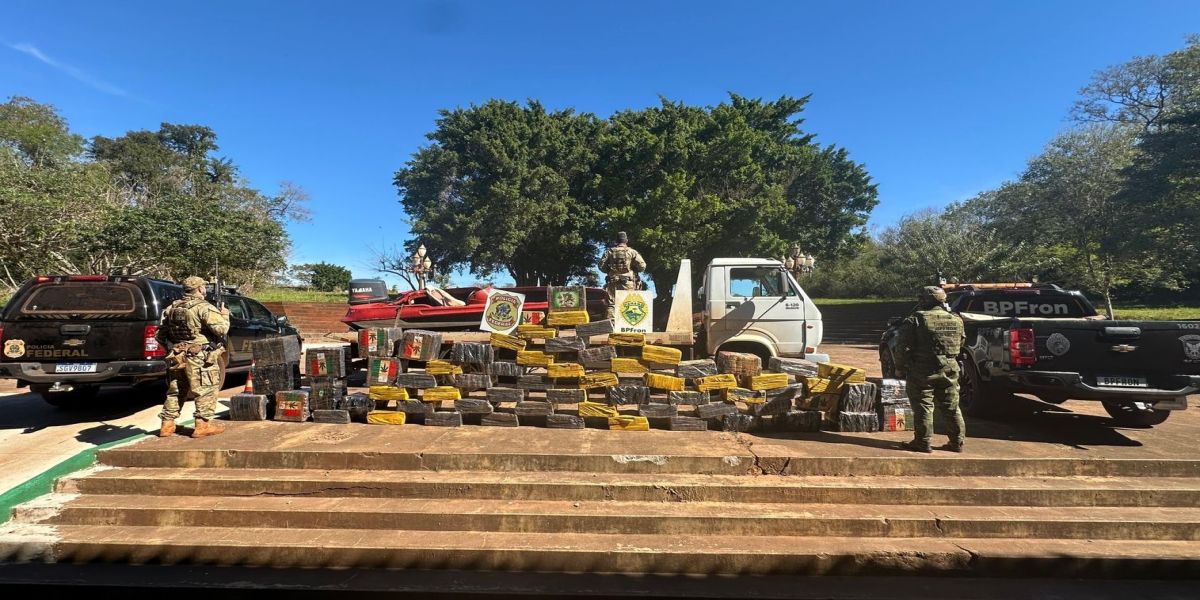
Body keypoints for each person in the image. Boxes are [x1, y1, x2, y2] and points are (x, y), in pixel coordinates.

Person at [893, 285, 966, 453]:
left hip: (922, 368)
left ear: (925, 301)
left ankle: (923, 442)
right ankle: (957, 443)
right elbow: (961, 343)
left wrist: (899, 367)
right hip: (950, 368)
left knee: (923, 405)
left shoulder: (916, 319)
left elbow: (902, 346)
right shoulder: (955, 319)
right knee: (952, 406)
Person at [157, 276, 231, 438]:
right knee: (205, 389)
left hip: (177, 356)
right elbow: (221, 330)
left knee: (176, 390)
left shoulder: (172, 308)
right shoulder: (204, 307)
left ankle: (167, 425)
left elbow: (160, 335)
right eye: (203, 287)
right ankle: (202, 425)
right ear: (199, 289)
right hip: (199, 357)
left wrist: (173, 348)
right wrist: (225, 315)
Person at [598, 231, 647, 308]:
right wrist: (634, 269)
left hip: (613, 282)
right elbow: (642, 266)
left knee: (612, 305)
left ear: (616, 241)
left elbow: (601, 266)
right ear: (626, 240)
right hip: (628, 283)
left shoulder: (609, 252)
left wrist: (609, 271)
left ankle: (612, 320)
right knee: (628, 305)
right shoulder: (632, 252)